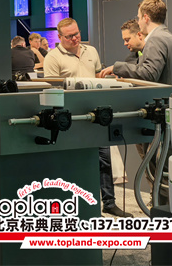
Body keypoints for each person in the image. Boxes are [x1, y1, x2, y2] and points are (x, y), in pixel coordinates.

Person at [42, 19, 130, 218]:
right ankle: (77, 206)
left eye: (77, 34)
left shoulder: (91, 51)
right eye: (69, 36)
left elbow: (98, 77)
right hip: (71, 117)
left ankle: (109, 203)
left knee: (104, 159)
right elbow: (52, 90)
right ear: (60, 37)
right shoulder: (53, 58)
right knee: (75, 163)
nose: (75, 39)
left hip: (95, 114)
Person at [100, 0, 172, 84]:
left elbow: (149, 74)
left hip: (161, 93)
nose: (138, 22)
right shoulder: (170, 37)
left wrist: (117, 68)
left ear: (146, 18)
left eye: (139, 18)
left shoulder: (155, 39)